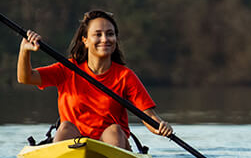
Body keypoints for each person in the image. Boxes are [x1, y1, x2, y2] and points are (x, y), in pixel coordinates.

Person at [17, 9, 172, 150]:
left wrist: (161, 127)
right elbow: (26, 78)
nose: (105, 39)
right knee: (65, 127)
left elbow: (149, 117)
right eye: (98, 34)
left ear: (116, 39)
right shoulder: (67, 69)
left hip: (111, 144)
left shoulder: (125, 76)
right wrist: (25, 51)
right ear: (85, 40)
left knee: (114, 130)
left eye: (110, 34)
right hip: (74, 142)